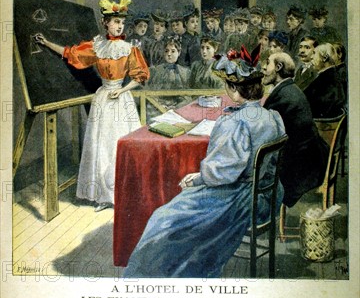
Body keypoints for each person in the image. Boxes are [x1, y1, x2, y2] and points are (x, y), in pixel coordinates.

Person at [123, 47, 286, 278]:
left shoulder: (235, 124)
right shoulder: (272, 116)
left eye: (227, 87)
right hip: (268, 195)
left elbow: (224, 172)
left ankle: (152, 277)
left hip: (239, 198)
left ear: (234, 90)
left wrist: (198, 178)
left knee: (164, 218)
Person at [35, 0, 150, 212]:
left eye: (122, 23)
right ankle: (103, 196)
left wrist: (122, 89)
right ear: (106, 22)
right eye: (116, 22)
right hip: (102, 99)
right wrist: (47, 43)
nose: (119, 26)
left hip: (120, 100)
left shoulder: (129, 48)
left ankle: (124, 194)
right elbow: (71, 53)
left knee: (121, 144)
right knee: (102, 145)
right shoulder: (97, 46)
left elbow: (141, 75)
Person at [262, 52, 328, 208]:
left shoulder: (283, 96)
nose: (263, 68)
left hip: (299, 169)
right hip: (308, 159)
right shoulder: (290, 89)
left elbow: (264, 134)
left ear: (278, 67)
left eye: (267, 63)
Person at [146, 36, 190, 114]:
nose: (169, 54)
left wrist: (176, 107)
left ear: (179, 53)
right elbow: (150, 93)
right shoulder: (155, 70)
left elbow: (187, 96)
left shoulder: (185, 72)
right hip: (158, 106)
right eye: (166, 51)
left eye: (173, 51)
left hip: (178, 108)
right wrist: (160, 105)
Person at [304, 43, 346, 118]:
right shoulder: (332, 76)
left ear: (325, 58)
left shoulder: (327, 81)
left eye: (314, 53)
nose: (311, 57)